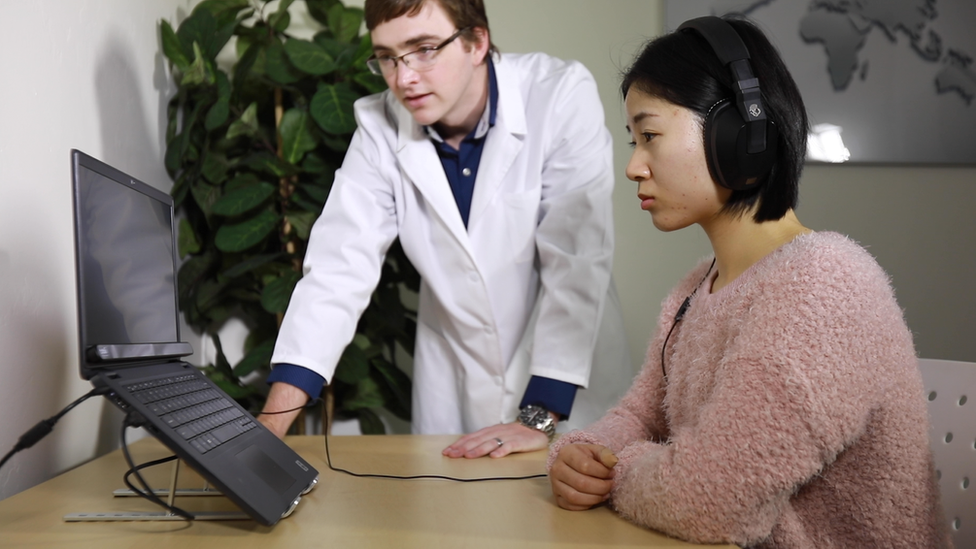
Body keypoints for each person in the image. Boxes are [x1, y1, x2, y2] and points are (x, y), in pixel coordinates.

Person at [547, 15, 950, 548]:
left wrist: (618, 468)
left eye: (650, 136)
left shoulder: (825, 286)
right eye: (632, 141)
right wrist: (577, 456)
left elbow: (707, 503)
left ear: (742, 136)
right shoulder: (697, 288)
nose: (634, 166)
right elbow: (637, 417)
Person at [257, 0, 632, 459]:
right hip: (456, 379)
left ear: (476, 42)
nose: (404, 77)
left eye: (424, 49)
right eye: (388, 57)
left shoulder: (556, 95)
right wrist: (270, 426)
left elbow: (576, 258)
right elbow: (337, 270)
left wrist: (541, 412)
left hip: (567, 382)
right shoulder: (379, 127)